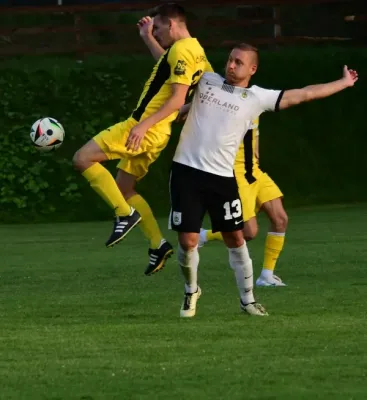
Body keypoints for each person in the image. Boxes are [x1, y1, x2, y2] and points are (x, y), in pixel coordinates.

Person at [171, 42, 358, 318]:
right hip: (185, 171)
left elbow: (304, 94)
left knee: (237, 237)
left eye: (239, 62)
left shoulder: (258, 97)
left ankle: (247, 300)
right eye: (230, 60)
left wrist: (343, 83)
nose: (231, 65)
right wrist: (151, 37)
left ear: (252, 69)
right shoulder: (206, 79)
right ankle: (191, 291)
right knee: (187, 241)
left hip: (223, 178)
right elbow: (174, 61)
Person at [73, 3, 212, 275]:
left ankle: (124, 214)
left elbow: (176, 97)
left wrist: (143, 125)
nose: (156, 32)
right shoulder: (195, 50)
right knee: (124, 187)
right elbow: (189, 82)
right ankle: (157, 245)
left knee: (82, 158)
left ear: (172, 24)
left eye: (158, 28)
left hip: (143, 128)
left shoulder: (182, 50)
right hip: (157, 132)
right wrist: (147, 39)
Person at [199, 116, 289, 287]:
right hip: (236, 175)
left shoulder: (254, 101)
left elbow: (254, 133)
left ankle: (267, 276)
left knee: (280, 219)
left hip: (255, 172)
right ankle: (203, 236)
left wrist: (256, 151)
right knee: (248, 233)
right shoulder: (223, 108)